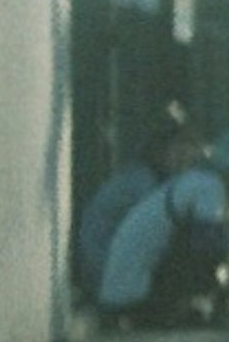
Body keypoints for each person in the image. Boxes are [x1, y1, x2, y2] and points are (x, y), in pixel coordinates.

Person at [97, 125, 229, 330]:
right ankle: (175, 310)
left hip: (122, 290)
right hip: (134, 294)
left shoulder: (196, 181)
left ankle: (178, 309)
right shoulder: (210, 187)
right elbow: (208, 245)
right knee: (212, 259)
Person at [71, 112, 192, 306]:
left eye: (184, 147)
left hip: (110, 267)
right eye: (174, 147)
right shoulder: (141, 184)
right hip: (105, 271)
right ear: (156, 149)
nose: (182, 156)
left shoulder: (149, 180)